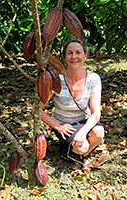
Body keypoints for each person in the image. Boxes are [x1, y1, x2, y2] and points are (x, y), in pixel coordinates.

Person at [41, 37, 104, 170]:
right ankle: (77, 152)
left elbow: (96, 113)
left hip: (83, 121)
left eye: (78, 52)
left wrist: (82, 132)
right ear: (65, 57)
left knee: (99, 133)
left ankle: (75, 153)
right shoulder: (57, 80)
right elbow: (37, 110)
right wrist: (58, 127)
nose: (74, 57)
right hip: (65, 125)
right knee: (84, 146)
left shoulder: (93, 78)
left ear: (85, 56)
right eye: (70, 53)